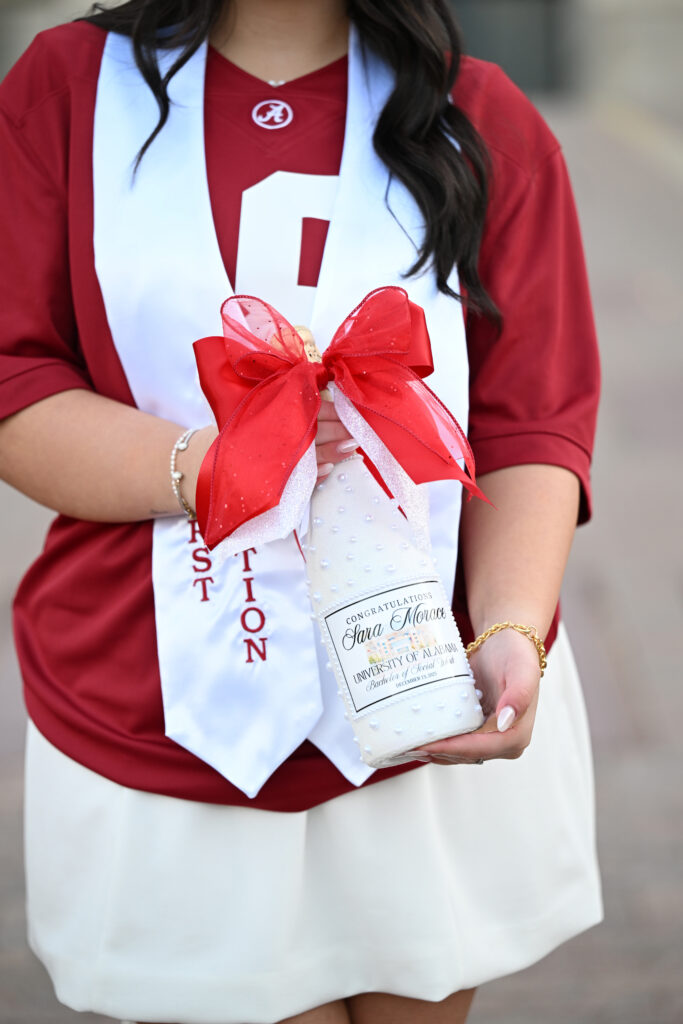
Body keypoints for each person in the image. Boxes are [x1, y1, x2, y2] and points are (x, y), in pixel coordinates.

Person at [0, 0, 603, 1022]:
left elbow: (527, 419)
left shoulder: (477, 117)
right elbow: (15, 375)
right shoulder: (67, 91)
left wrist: (509, 627)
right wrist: (214, 464)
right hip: (162, 702)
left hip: (414, 692)